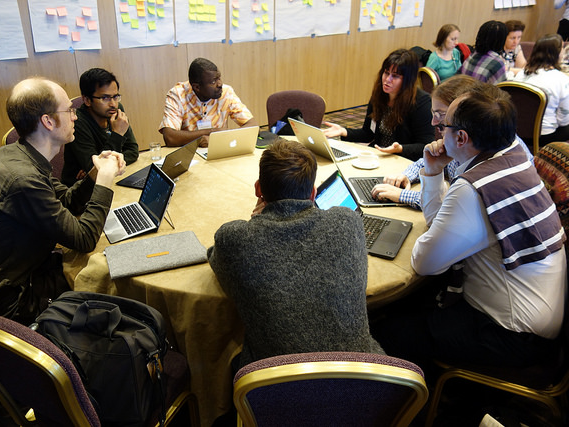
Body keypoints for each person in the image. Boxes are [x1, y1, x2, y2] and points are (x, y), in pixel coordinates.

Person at [372, 85, 567, 370]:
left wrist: (434, 181)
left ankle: (417, 403)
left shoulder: (475, 187)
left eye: (443, 122)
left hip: (512, 336)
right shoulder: (513, 159)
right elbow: (439, 225)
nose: (436, 127)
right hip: (539, 321)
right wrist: (434, 171)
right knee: (414, 304)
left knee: (388, 332)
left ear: (461, 137)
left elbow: (425, 262)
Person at [207, 139, 384, 371]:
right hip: (362, 381)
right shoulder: (348, 222)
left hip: (274, 388)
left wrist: (256, 223)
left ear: (258, 189)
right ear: (313, 193)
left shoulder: (234, 238)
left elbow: (215, 257)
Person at [0, 77, 126, 325]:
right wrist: (105, 179)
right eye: (70, 111)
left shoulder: (16, 154)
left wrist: (95, 174)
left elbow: (67, 201)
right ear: (48, 121)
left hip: (27, 269)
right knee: (111, 279)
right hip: (20, 301)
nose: (75, 117)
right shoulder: (22, 179)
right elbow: (84, 239)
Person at [370, 76, 534, 209]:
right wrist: (406, 175)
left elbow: (453, 205)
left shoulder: (482, 148)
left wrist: (401, 195)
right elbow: (432, 160)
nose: (434, 122)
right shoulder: (462, 136)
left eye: (441, 114)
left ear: (461, 113)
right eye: (433, 113)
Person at [322, 49, 434, 161]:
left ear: (407, 80)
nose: (387, 80)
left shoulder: (421, 102)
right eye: (386, 73)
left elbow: (425, 145)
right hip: (379, 155)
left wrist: (400, 149)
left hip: (403, 160)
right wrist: (343, 131)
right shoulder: (380, 95)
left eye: (395, 76)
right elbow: (368, 133)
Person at [61, 68, 138, 186]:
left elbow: (133, 151)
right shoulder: (77, 122)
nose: (113, 104)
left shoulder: (117, 111)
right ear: (87, 100)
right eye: (105, 98)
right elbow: (99, 169)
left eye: (115, 96)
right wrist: (117, 134)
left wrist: (99, 168)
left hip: (110, 180)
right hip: (79, 191)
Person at [158, 57, 257, 147]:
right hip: (190, 153)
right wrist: (210, 132)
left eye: (219, 78)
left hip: (220, 149)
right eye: (213, 81)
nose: (220, 84)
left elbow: (252, 125)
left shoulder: (226, 92)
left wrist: (221, 139)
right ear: (197, 87)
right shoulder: (178, 94)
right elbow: (170, 137)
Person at [514, 34, 569, 147]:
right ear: (556, 54)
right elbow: (563, 120)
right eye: (562, 49)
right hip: (544, 137)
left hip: (515, 132)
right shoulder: (562, 80)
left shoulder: (520, 74)